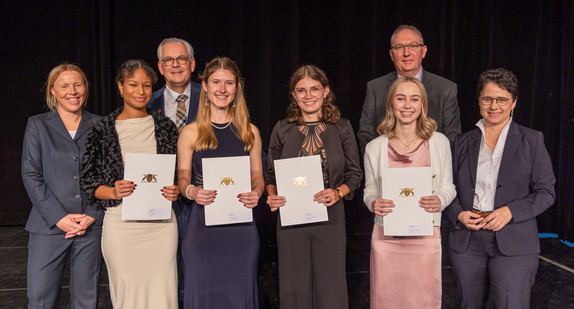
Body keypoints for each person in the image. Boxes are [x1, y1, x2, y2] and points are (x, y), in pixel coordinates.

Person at [443, 68, 555, 308]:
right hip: (468, 239)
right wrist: (458, 214)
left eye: (502, 99)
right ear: (479, 101)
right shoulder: (462, 142)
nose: (494, 106)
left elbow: (546, 192)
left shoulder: (532, 140)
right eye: (487, 99)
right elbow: (445, 187)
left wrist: (510, 211)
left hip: (514, 240)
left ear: (514, 102)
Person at [80, 60, 180, 308]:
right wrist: (113, 190)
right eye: (133, 85)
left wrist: (175, 188)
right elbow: (89, 182)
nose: (141, 91)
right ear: (120, 87)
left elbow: (176, 174)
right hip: (122, 225)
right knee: (128, 294)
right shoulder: (102, 130)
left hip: (161, 225)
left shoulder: (166, 127)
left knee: (162, 292)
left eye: (146, 85)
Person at [265, 65, 362, 309]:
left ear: (326, 91)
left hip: (330, 217)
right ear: (294, 95)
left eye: (314, 89)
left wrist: (338, 192)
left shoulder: (342, 127)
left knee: (330, 286)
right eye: (301, 90)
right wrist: (272, 195)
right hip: (290, 219)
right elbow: (270, 174)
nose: (308, 95)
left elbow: (355, 174)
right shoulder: (282, 128)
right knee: (294, 286)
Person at [177, 57, 264, 308]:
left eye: (229, 83)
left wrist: (257, 192)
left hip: (241, 230)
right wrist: (192, 190)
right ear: (204, 86)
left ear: (237, 88)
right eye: (216, 82)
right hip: (202, 229)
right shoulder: (190, 132)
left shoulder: (250, 131)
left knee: (239, 295)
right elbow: (183, 178)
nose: (222, 89)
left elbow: (258, 177)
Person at [363, 76, 456, 308]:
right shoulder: (374, 147)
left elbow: (449, 187)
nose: (407, 105)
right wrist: (373, 202)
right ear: (391, 104)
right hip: (386, 239)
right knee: (386, 300)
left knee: (423, 300)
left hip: (426, 238)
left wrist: (440, 200)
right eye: (400, 98)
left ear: (422, 104)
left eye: (414, 99)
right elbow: (369, 191)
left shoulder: (439, 142)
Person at [22, 63, 103, 309]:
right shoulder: (37, 125)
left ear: (86, 88)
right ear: (53, 91)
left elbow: (108, 175)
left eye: (78, 84)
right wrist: (59, 217)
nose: (73, 91)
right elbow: (31, 174)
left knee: (86, 299)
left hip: (90, 226)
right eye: (64, 86)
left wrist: (92, 214)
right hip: (49, 224)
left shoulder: (101, 125)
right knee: (40, 297)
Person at [148, 36, 201, 306]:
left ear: (192, 63)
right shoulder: (146, 103)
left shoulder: (212, 96)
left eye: (181, 59)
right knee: (166, 273)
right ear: (160, 67)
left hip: (204, 198)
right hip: (160, 199)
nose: (175, 65)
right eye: (169, 60)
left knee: (200, 270)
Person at [358, 24, 461, 152]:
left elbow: (452, 140)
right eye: (399, 47)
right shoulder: (375, 88)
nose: (406, 53)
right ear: (391, 54)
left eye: (413, 46)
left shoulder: (446, 89)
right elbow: (365, 137)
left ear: (423, 51)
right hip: (386, 166)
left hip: (431, 168)